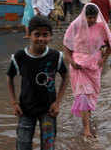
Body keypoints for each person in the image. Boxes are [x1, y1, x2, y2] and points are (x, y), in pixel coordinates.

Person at [7, 16, 68, 150]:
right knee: (23, 144)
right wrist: (14, 103)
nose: (41, 38)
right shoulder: (19, 57)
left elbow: (65, 76)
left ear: (50, 36)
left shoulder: (55, 56)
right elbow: (9, 78)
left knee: (48, 145)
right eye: (37, 34)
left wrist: (57, 102)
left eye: (45, 35)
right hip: (25, 109)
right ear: (29, 34)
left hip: (49, 110)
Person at [63, 3, 111, 139]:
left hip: (94, 66)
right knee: (83, 95)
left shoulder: (101, 27)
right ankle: (86, 130)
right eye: (89, 18)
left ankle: (87, 118)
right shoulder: (75, 26)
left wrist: (103, 59)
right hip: (78, 67)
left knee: (90, 95)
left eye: (94, 17)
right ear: (84, 16)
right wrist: (71, 62)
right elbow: (66, 47)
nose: (91, 20)